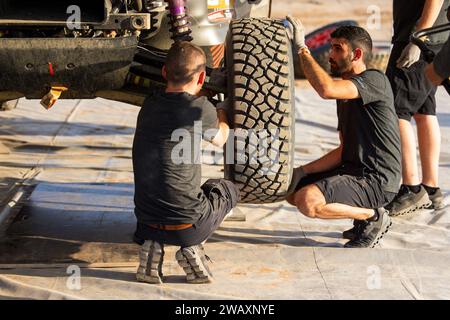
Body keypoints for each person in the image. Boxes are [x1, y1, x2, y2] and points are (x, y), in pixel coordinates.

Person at [286, 16, 402, 248]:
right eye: (331, 47)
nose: (330, 55)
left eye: (338, 49)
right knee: (291, 189)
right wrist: (301, 171)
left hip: (377, 180)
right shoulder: (345, 96)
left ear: (357, 55)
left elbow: (326, 89)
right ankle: (363, 216)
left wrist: (302, 50)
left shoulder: (374, 80)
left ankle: (372, 216)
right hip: (353, 171)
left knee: (308, 201)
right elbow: (343, 149)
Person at [132, 41, 240, 284]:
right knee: (226, 189)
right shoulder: (202, 108)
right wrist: (221, 108)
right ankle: (193, 247)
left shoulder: (149, 104)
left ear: (164, 73)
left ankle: (153, 246)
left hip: (144, 222)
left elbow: (177, 107)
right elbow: (221, 138)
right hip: (188, 226)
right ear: (202, 77)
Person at [385, 0, 449, 216]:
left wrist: (419, 37)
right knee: (424, 111)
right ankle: (430, 187)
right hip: (431, 38)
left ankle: (411, 189)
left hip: (420, 39)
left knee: (394, 111)